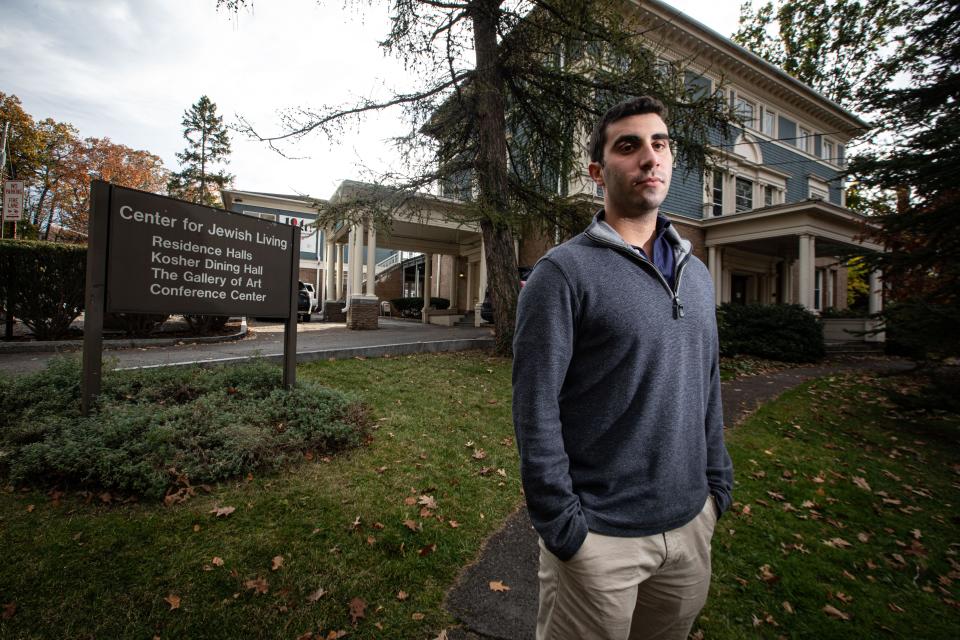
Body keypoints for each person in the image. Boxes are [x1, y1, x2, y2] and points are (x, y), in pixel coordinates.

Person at [512, 96, 734, 640]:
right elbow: (534, 407)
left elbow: (707, 384)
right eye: (628, 146)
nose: (649, 158)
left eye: (659, 144)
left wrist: (716, 488)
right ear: (598, 171)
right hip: (600, 538)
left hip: (688, 528)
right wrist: (565, 528)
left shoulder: (698, 275)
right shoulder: (562, 274)